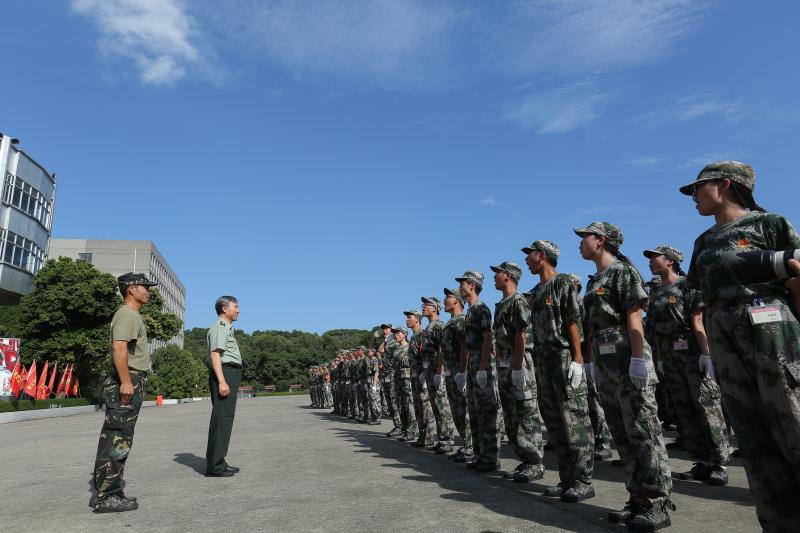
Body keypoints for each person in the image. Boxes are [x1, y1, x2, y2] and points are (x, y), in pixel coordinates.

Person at [680, 161, 800, 531]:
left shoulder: (768, 224)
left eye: (699, 187)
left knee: (792, 419)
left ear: (725, 184)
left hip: (771, 329)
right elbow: (698, 293)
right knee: (751, 434)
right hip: (723, 331)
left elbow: (797, 274)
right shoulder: (703, 241)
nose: (694, 196)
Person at [575, 222, 673, 531]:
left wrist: (638, 359)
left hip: (627, 359)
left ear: (601, 240)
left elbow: (634, 318)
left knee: (643, 432)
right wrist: (591, 363)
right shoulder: (594, 281)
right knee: (622, 434)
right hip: (606, 365)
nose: (580, 243)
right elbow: (592, 327)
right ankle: (638, 498)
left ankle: (656, 502)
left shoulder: (623, 272)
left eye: (584, 237)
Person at [644, 244, 729, 485]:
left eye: (655, 257)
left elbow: (697, 321)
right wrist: (661, 359)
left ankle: (720, 463)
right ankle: (702, 460)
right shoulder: (656, 293)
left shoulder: (687, 286)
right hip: (669, 355)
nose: (651, 261)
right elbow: (655, 330)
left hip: (691, 352)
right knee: (683, 408)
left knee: (706, 406)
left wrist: (706, 354)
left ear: (670, 261)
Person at [524, 241, 595, 501]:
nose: (527, 260)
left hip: (563, 356)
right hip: (543, 360)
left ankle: (583, 481)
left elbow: (572, 319)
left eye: (530, 254)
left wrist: (578, 358)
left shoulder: (562, 282)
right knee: (554, 422)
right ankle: (567, 478)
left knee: (574, 420)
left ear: (543, 256)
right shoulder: (536, 291)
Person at [93, 272, 157, 513]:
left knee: (118, 437)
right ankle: (108, 496)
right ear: (131, 289)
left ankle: (109, 491)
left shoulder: (131, 315)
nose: (148, 291)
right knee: (117, 438)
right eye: (144, 286)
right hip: (127, 378)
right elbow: (118, 347)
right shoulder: (127, 314)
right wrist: (126, 381)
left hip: (130, 378)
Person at [490, 261, 545, 482]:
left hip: (518, 363)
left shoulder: (518, 301)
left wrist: (519, 366)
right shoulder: (501, 304)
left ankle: (535, 463)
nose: (494, 277)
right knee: (511, 415)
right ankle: (525, 459)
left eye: (498, 273)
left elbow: (521, 335)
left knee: (525, 413)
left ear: (508, 276)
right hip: (505, 365)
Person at [457, 270, 502, 473]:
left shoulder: (481, 309)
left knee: (486, 412)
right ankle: (480, 454)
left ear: (472, 285)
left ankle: (491, 458)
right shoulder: (470, 311)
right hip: (473, 363)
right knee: (475, 412)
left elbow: (487, 339)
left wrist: (483, 368)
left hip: (482, 362)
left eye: (463, 283)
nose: (460, 287)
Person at [569, 273, 614, 462]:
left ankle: (603, 442)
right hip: (579, 358)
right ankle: (593, 439)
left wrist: (589, 360)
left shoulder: (581, 305)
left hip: (588, 357)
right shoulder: (571, 305)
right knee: (586, 402)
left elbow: (589, 333)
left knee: (595, 401)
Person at [206, 295, 243, 478]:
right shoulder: (220, 327)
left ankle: (220, 461)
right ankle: (216, 466)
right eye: (235, 307)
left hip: (230, 372)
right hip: (225, 372)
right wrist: (222, 381)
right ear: (224, 309)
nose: (238, 310)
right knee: (221, 419)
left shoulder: (226, 328)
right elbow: (215, 355)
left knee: (225, 420)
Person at [440, 287, 473, 462]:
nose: (445, 300)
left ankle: (471, 447)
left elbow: (464, 347)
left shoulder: (460, 320)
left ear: (457, 300)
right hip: (450, 371)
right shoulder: (450, 323)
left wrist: (462, 371)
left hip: (458, 370)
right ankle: (467, 445)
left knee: (464, 410)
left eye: (448, 297)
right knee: (457, 411)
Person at [420, 296, 455, 453]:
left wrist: (439, 372)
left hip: (437, 370)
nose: (423, 307)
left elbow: (441, 350)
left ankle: (448, 439)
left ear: (434, 309)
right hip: (429, 371)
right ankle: (442, 439)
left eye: (426, 305)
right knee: (436, 406)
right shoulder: (428, 327)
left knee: (442, 407)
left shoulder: (439, 325)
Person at [405, 309, 436, 447]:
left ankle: (429, 437)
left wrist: (424, 373)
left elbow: (426, 355)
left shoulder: (423, 335)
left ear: (417, 319)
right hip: (414, 375)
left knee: (425, 407)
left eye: (409, 317)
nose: (407, 320)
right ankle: (422, 437)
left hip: (422, 375)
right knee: (418, 407)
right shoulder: (413, 337)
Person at [392, 325, 417, 441]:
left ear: (405, 334)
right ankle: (404, 429)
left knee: (409, 405)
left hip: (408, 378)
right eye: (395, 333)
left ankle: (411, 431)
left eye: (398, 333)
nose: (396, 335)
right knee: (401, 405)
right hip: (398, 379)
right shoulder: (396, 349)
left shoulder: (409, 347)